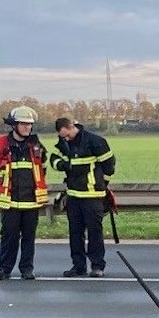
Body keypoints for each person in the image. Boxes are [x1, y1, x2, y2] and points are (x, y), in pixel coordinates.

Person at [0, 106, 48, 280]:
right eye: (23, 124)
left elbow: (42, 170)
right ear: (14, 125)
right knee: (9, 237)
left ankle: (27, 269)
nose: (27, 128)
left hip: (31, 201)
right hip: (10, 201)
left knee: (29, 238)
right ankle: (4, 269)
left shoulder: (37, 146)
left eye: (29, 124)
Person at [51, 116, 115, 277]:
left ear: (73, 126)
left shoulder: (95, 141)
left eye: (67, 135)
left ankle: (97, 266)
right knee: (75, 233)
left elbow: (109, 166)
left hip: (93, 196)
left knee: (95, 233)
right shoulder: (63, 142)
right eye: (62, 136)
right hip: (73, 195)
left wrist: (102, 185)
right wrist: (64, 165)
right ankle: (78, 266)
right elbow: (53, 159)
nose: (65, 138)